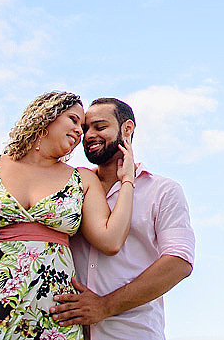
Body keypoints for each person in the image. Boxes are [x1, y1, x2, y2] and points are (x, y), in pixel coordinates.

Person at [0, 91, 138, 339]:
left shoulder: (82, 179)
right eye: (74, 120)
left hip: (52, 322)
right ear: (47, 116)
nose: (82, 132)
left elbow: (111, 241)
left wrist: (128, 180)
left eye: (85, 126)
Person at [50, 97, 195, 339]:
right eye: (85, 129)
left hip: (132, 333)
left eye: (99, 127)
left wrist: (104, 306)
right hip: (63, 331)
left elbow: (179, 261)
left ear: (127, 129)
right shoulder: (68, 188)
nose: (88, 136)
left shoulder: (163, 190)